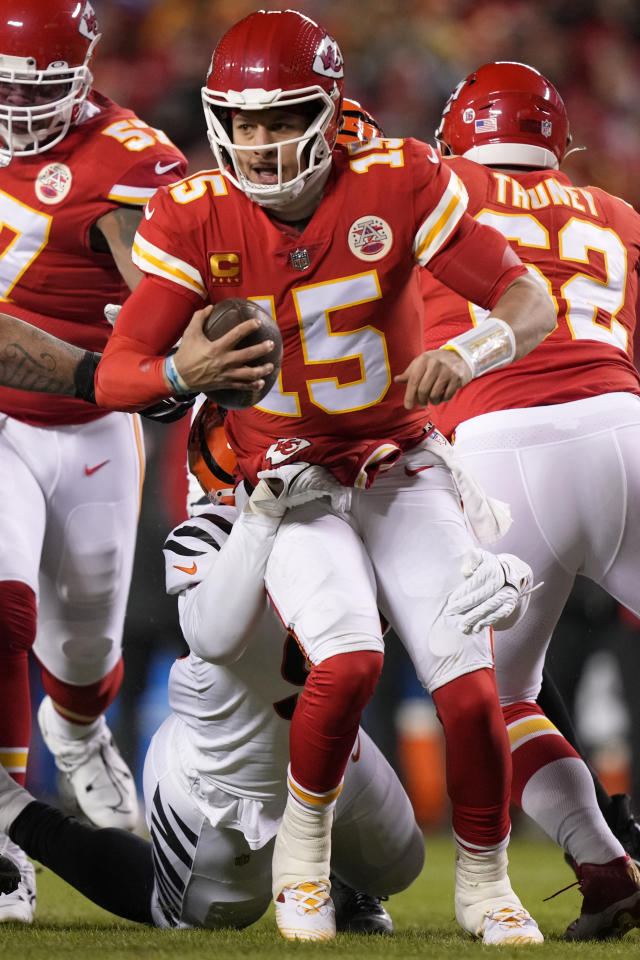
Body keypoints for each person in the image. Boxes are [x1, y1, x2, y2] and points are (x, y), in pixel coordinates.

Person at [94, 10, 557, 945]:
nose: (262, 144)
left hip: (396, 461)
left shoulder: (398, 177)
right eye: (246, 121)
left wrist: (470, 353)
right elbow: (117, 372)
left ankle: (485, 878)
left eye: (284, 117)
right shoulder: (193, 210)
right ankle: (305, 863)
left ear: (330, 106)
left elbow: (528, 299)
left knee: (467, 675)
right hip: (283, 482)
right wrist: (186, 375)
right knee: (345, 664)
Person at [0, 0, 275, 925]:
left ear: (78, 75)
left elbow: (159, 290)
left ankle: (77, 734)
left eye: (33, 88)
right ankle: (6, 826)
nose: (13, 104)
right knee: (4, 610)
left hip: (87, 425)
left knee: (83, 649)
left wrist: (185, 355)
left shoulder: (125, 158)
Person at [0, 442, 430, 933]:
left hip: (335, 755)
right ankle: (16, 810)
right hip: (220, 781)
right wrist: (261, 514)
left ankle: (343, 880)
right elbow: (216, 636)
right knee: (203, 915)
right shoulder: (205, 532)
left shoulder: (359, 520)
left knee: (400, 864)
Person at [424, 60, 640, 941]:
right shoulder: (618, 215)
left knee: (498, 697)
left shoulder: (434, 186)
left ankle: (600, 861)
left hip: (500, 452)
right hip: (624, 429)